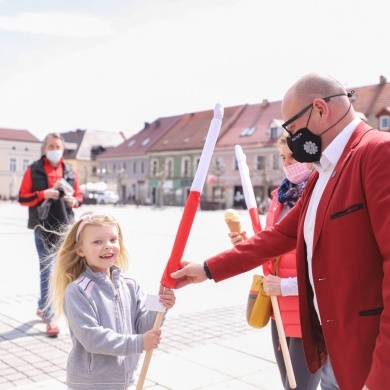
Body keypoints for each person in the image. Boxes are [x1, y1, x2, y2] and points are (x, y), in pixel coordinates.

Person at [170, 73, 390, 390]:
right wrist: (206, 269)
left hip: (369, 364)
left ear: (319, 109)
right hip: (333, 356)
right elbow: (279, 237)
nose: (293, 138)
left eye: (293, 127)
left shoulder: (377, 153)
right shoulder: (322, 174)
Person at [230, 133, 319, 390]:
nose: (288, 163)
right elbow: (274, 244)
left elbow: (328, 264)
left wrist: (287, 286)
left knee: (300, 386)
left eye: (293, 156)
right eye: (283, 157)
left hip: (308, 310)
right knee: (288, 384)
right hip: (278, 305)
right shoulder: (280, 198)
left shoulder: (321, 196)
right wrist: (249, 244)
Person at [48, 212, 176, 390]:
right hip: (91, 384)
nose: (108, 246)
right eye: (97, 242)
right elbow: (92, 338)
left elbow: (142, 327)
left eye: (113, 240)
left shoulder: (130, 285)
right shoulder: (77, 290)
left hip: (124, 380)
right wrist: (139, 343)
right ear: (80, 250)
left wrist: (160, 304)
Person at [18, 132, 83, 337]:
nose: (55, 150)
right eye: (51, 146)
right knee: (48, 271)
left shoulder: (70, 170)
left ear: (63, 149)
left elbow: (79, 195)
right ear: (44, 148)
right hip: (42, 226)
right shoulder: (34, 169)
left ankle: (43, 305)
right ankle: (50, 316)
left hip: (66, 227)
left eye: (58, 146)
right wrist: (42, 194)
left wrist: (75, 201)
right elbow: (22, 198)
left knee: (66, 270)